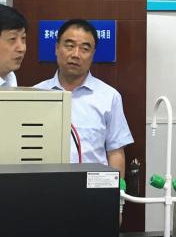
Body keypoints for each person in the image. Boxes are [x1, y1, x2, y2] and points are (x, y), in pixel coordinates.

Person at [34, 19, 133, 176]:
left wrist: (117, 189)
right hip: (45, 183)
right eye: (69, 46)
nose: (76, 54)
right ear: (56, 48)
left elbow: (115, 152)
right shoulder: (35, 94)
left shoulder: (109, 97)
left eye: (85, 49)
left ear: (93, 54)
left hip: (94, 186)